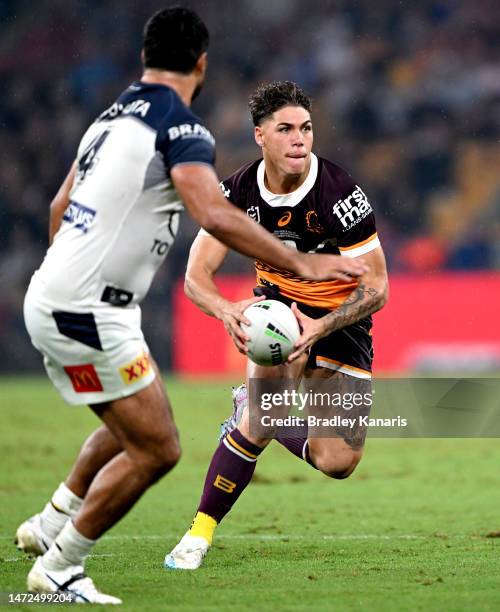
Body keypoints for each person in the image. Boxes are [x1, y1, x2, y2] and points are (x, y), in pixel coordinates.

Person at [16, 11, 367, 604]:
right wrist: (302, 264)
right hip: (92, 311)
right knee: (158, 447)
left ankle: (50, 521)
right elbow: (212, 214)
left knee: (129, 419)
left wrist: (66, 277)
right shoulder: (182, 129)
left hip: (57, 298)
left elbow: (59, 206)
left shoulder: (107, 120)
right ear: (200, 63)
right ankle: (60, 567)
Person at [164, 81, 388, 570]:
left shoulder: (340, 195)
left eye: (305, 128)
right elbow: (196, 276)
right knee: (259, 423)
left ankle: (254, 407)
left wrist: (320, 326)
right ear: (260, 136)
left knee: (337, 462)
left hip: (338, 320)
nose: (299, 140)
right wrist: (225, 310)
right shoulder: (235, 193)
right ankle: (197, 535)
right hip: (277, 310)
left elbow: (377, 289)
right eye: (285, 129)